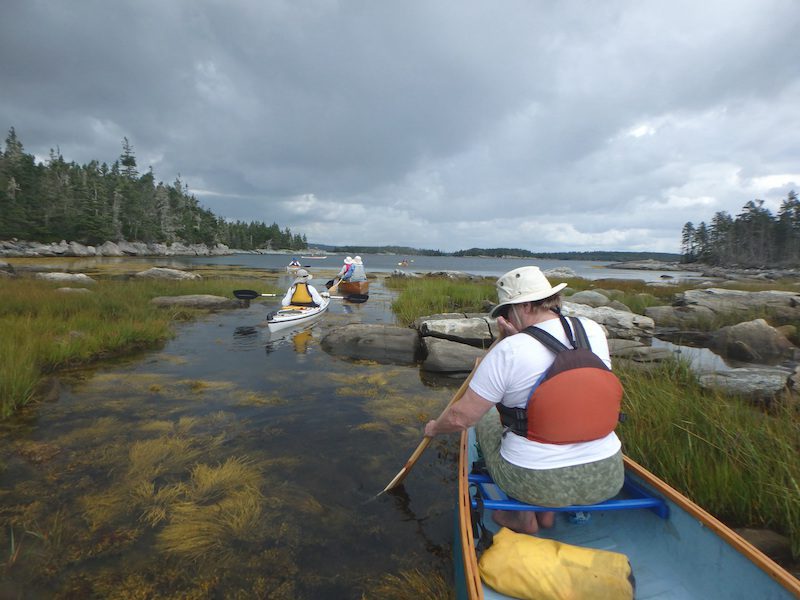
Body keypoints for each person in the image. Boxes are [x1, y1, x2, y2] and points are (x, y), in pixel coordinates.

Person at [423, 266, 624, 535]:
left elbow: (461, 418)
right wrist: (517, 339)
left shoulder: (509, 351)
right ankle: (548, 514)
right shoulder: (592, 331)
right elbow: (559, 365)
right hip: (607, 477)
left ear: (526, 306)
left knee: (488, 416)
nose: (506, 318)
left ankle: (523, 517)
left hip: (534, 482)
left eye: (507, 311)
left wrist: (435, 428)